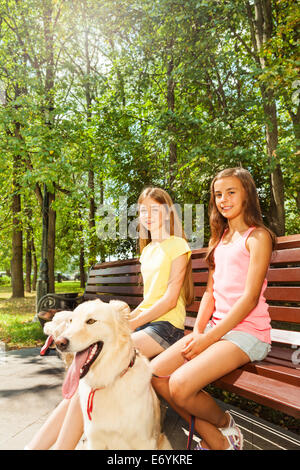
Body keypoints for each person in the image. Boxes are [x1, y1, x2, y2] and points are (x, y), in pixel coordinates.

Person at [25, 187, 193, 450]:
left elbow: (169, 300)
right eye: (143, 211)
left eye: (155, 209)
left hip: (166, 328)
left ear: (168, 211)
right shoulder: (148, 251)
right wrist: (125, 319)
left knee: (92, 373)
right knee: (88, 378)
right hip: (148, 323)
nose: (148, 215)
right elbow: (149, 300)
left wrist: (129, 324)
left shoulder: (177, 245)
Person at [151, 167, 276, 450]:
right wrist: (198, 331)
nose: (223, 199)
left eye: (231, 192)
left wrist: (208, 338)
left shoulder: (258, 238)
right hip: (214, 328)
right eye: (218, 194)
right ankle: (220, 440)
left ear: (248, 195)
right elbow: (210, 291)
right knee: (157, 375)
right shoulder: (218, 240)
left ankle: (223, 428)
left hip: (248, 333)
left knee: (180, 386)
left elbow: (249, 299)